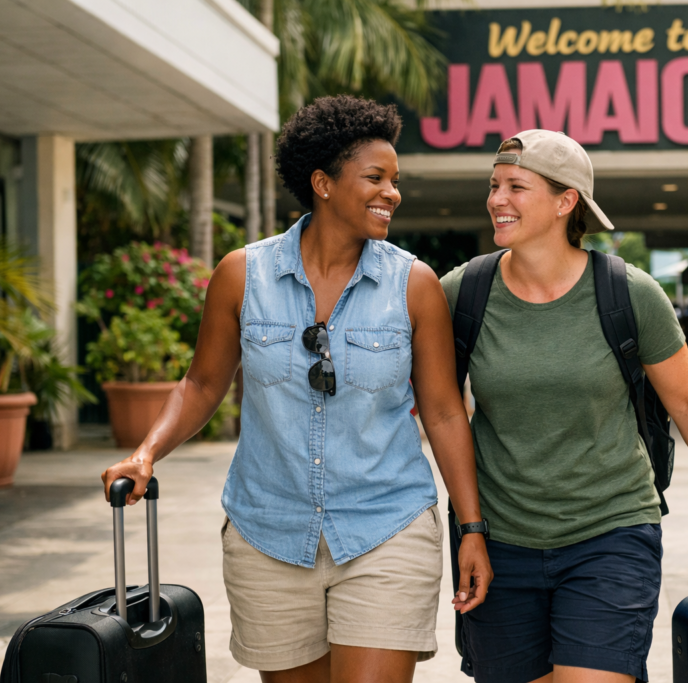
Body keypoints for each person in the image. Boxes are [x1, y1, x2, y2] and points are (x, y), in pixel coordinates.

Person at [100, 95, 492, 683]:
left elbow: (441, 412)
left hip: (386, 525)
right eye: (376, 178)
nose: (394, 192)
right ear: (322, 183)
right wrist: (146, 451)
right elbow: (203, 383)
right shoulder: (242, 274)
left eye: (396, 180)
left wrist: (472, 529)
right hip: (268, 532)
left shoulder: (414, 285)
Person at [440, 130, 688, 683]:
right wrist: (470, 526)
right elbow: (437, 405)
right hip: (501, 543)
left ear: (565, 201)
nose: (497, 199)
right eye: (494, 185)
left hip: (610, 532)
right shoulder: (465, 292)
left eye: (517, 187)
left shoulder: (629, 293)